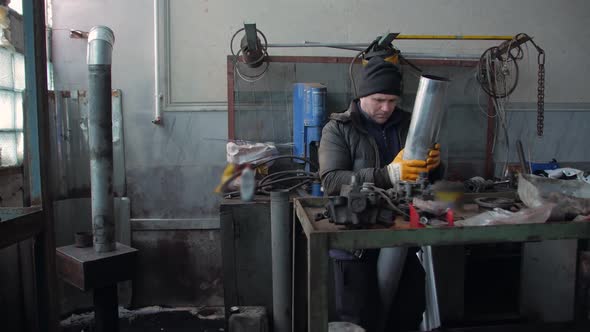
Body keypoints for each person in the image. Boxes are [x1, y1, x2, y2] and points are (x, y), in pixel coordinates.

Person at [318, 57, 442, 332]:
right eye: (378, 100)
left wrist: (435, 166)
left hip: (401, 237)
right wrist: (389, 174)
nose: (386, 108)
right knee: (362, 319)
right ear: (362, 95)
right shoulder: (338, 129)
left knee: (407, 313)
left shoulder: (409, 124)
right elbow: (331, 181)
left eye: (392, 101)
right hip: (356, 244)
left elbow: (424, 179)